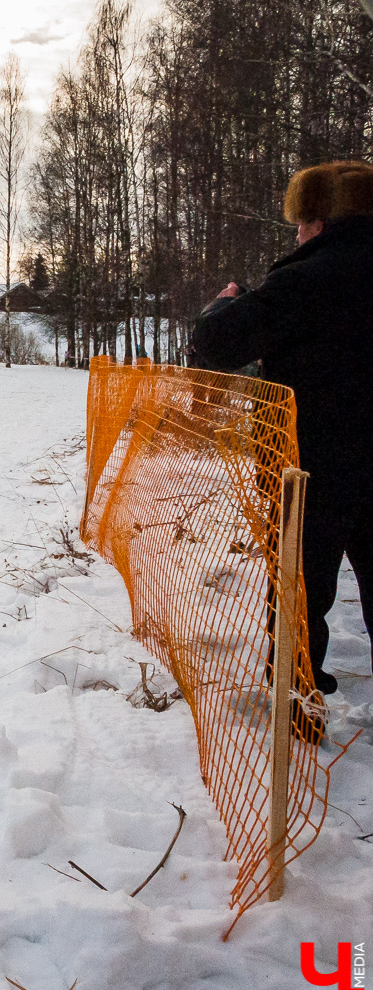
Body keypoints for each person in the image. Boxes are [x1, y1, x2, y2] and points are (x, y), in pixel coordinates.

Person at [190, 160, 373, 697]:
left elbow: (216, 342)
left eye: (300, 224)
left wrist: (224, 301)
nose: (295, 235)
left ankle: (297, 700)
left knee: (299, 589)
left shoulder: (307, 278)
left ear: (321, 221)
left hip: (311, 470)